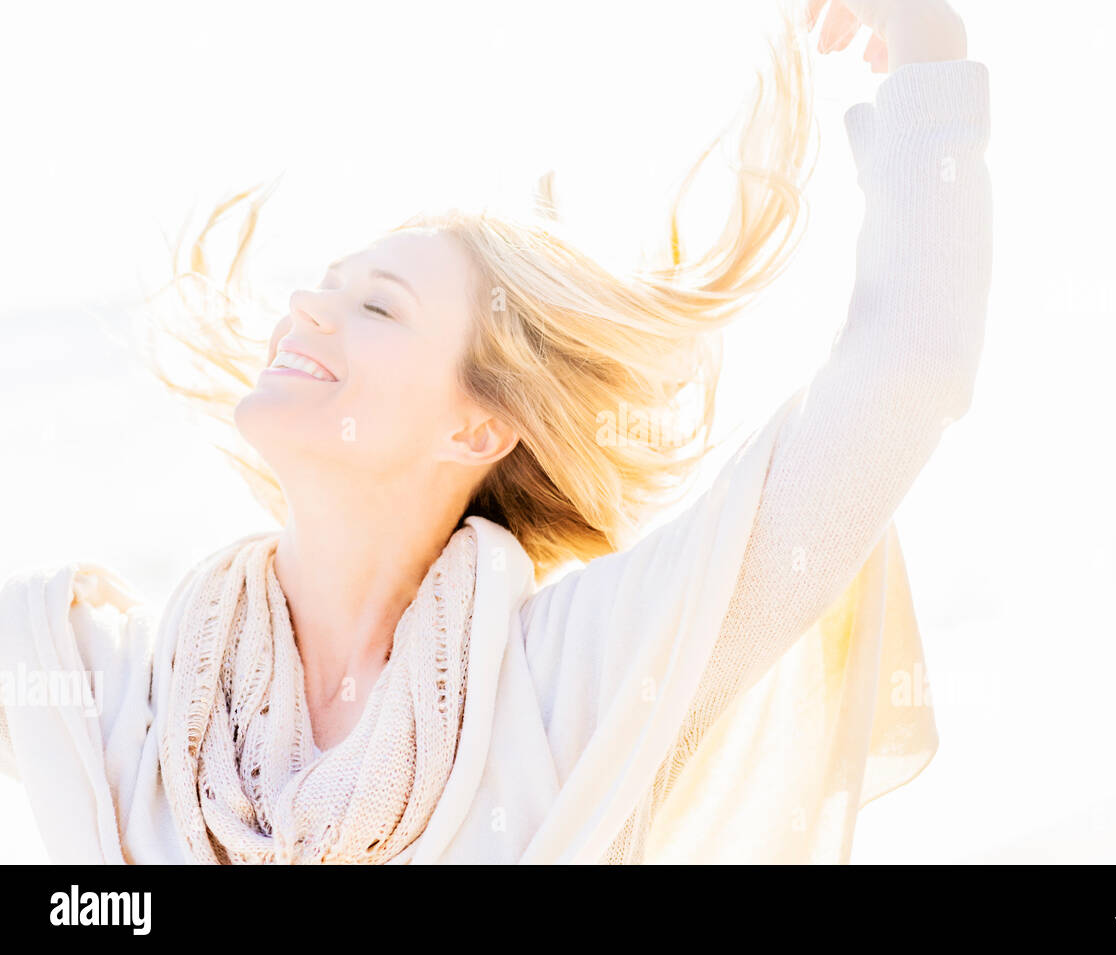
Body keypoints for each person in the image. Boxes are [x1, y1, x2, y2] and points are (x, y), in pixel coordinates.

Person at [0, 0, 991, 864]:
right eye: (326, 284)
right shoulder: (110, 684)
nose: (305, 305)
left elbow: (904, 372)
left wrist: (926, 53)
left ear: (479, 428)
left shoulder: (582, 671)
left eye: (377, 308)